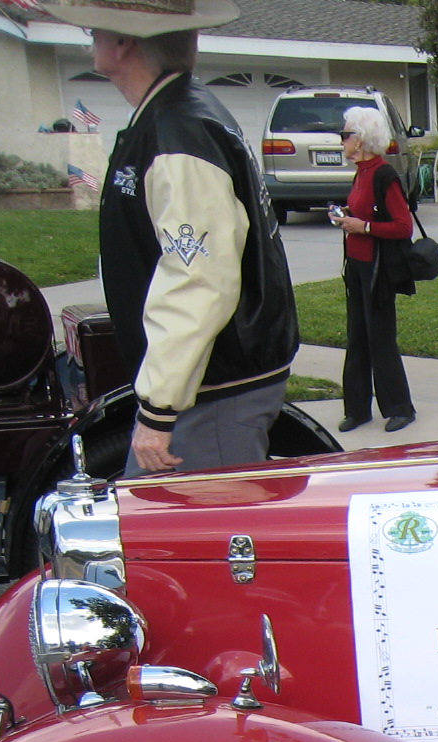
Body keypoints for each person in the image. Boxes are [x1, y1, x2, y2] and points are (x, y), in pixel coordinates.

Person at [38, 0, 297, 476]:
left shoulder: (177, 130)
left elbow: (198, 280)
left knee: (206, 542)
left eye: (96, 27)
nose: (89, 36)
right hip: (208, 390)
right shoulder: (176, 117)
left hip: (210, 397)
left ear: (123, 41)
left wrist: (159, 410)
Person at [330, 105, 416, 434]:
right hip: (356, 267)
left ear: (361, 139)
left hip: (377, 269)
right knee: (357, 337)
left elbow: (401, 226)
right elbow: (364, 211)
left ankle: (399, 408)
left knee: (381, 338)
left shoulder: (383, 174)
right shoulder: (361, 172)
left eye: (345, 135)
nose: (342, 142)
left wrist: (363, 226)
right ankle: (357, 408)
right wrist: (347, 216)